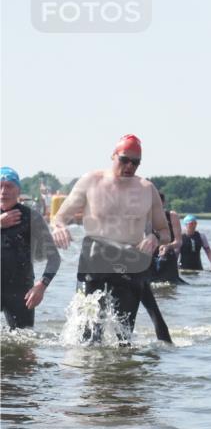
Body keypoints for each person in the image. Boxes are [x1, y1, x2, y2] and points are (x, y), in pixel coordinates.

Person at [50, 134, 172, 342]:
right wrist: (58, 228)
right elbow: (59, 218)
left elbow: (165, 233)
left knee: (122, 338)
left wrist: (154, 237)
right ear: (113, 156)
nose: (130, 166)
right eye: (124, 159)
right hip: (94, 259)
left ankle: (120, 373)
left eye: (136, 162)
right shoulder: (91, 181)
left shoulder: (146, 189)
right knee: (88, 336)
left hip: (129, 263)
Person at [1, 167, 61, 329]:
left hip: (20, 291)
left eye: (9, 186)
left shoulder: (32, 218)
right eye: (0, 185)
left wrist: (41, 285)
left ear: (18, 190)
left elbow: (54, 258)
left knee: (23, 346)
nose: (3, 191)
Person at [150, 191, 186, 284]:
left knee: (170, 285)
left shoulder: (172, 215)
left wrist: (167, 246)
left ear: (163, 202)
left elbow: (179, 241)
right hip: (150, 257)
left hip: (168, 256)